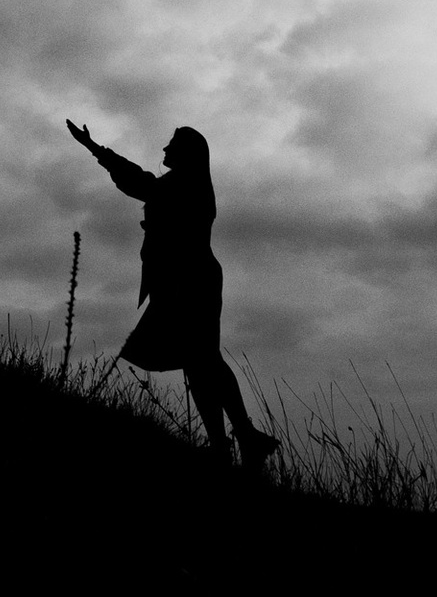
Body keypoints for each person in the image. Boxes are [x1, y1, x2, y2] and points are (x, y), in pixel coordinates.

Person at [66, 120, 279, 467]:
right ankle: (232, 442)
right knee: (199, 364)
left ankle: (239, 438)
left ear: (186, 154)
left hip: (190, 281)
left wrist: (95, 149)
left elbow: (141, 183)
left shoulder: (184, 185)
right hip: (184, 280)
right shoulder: (184, 184)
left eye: (172, 146)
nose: (165, 150)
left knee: (204, 361)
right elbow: (144, 185)